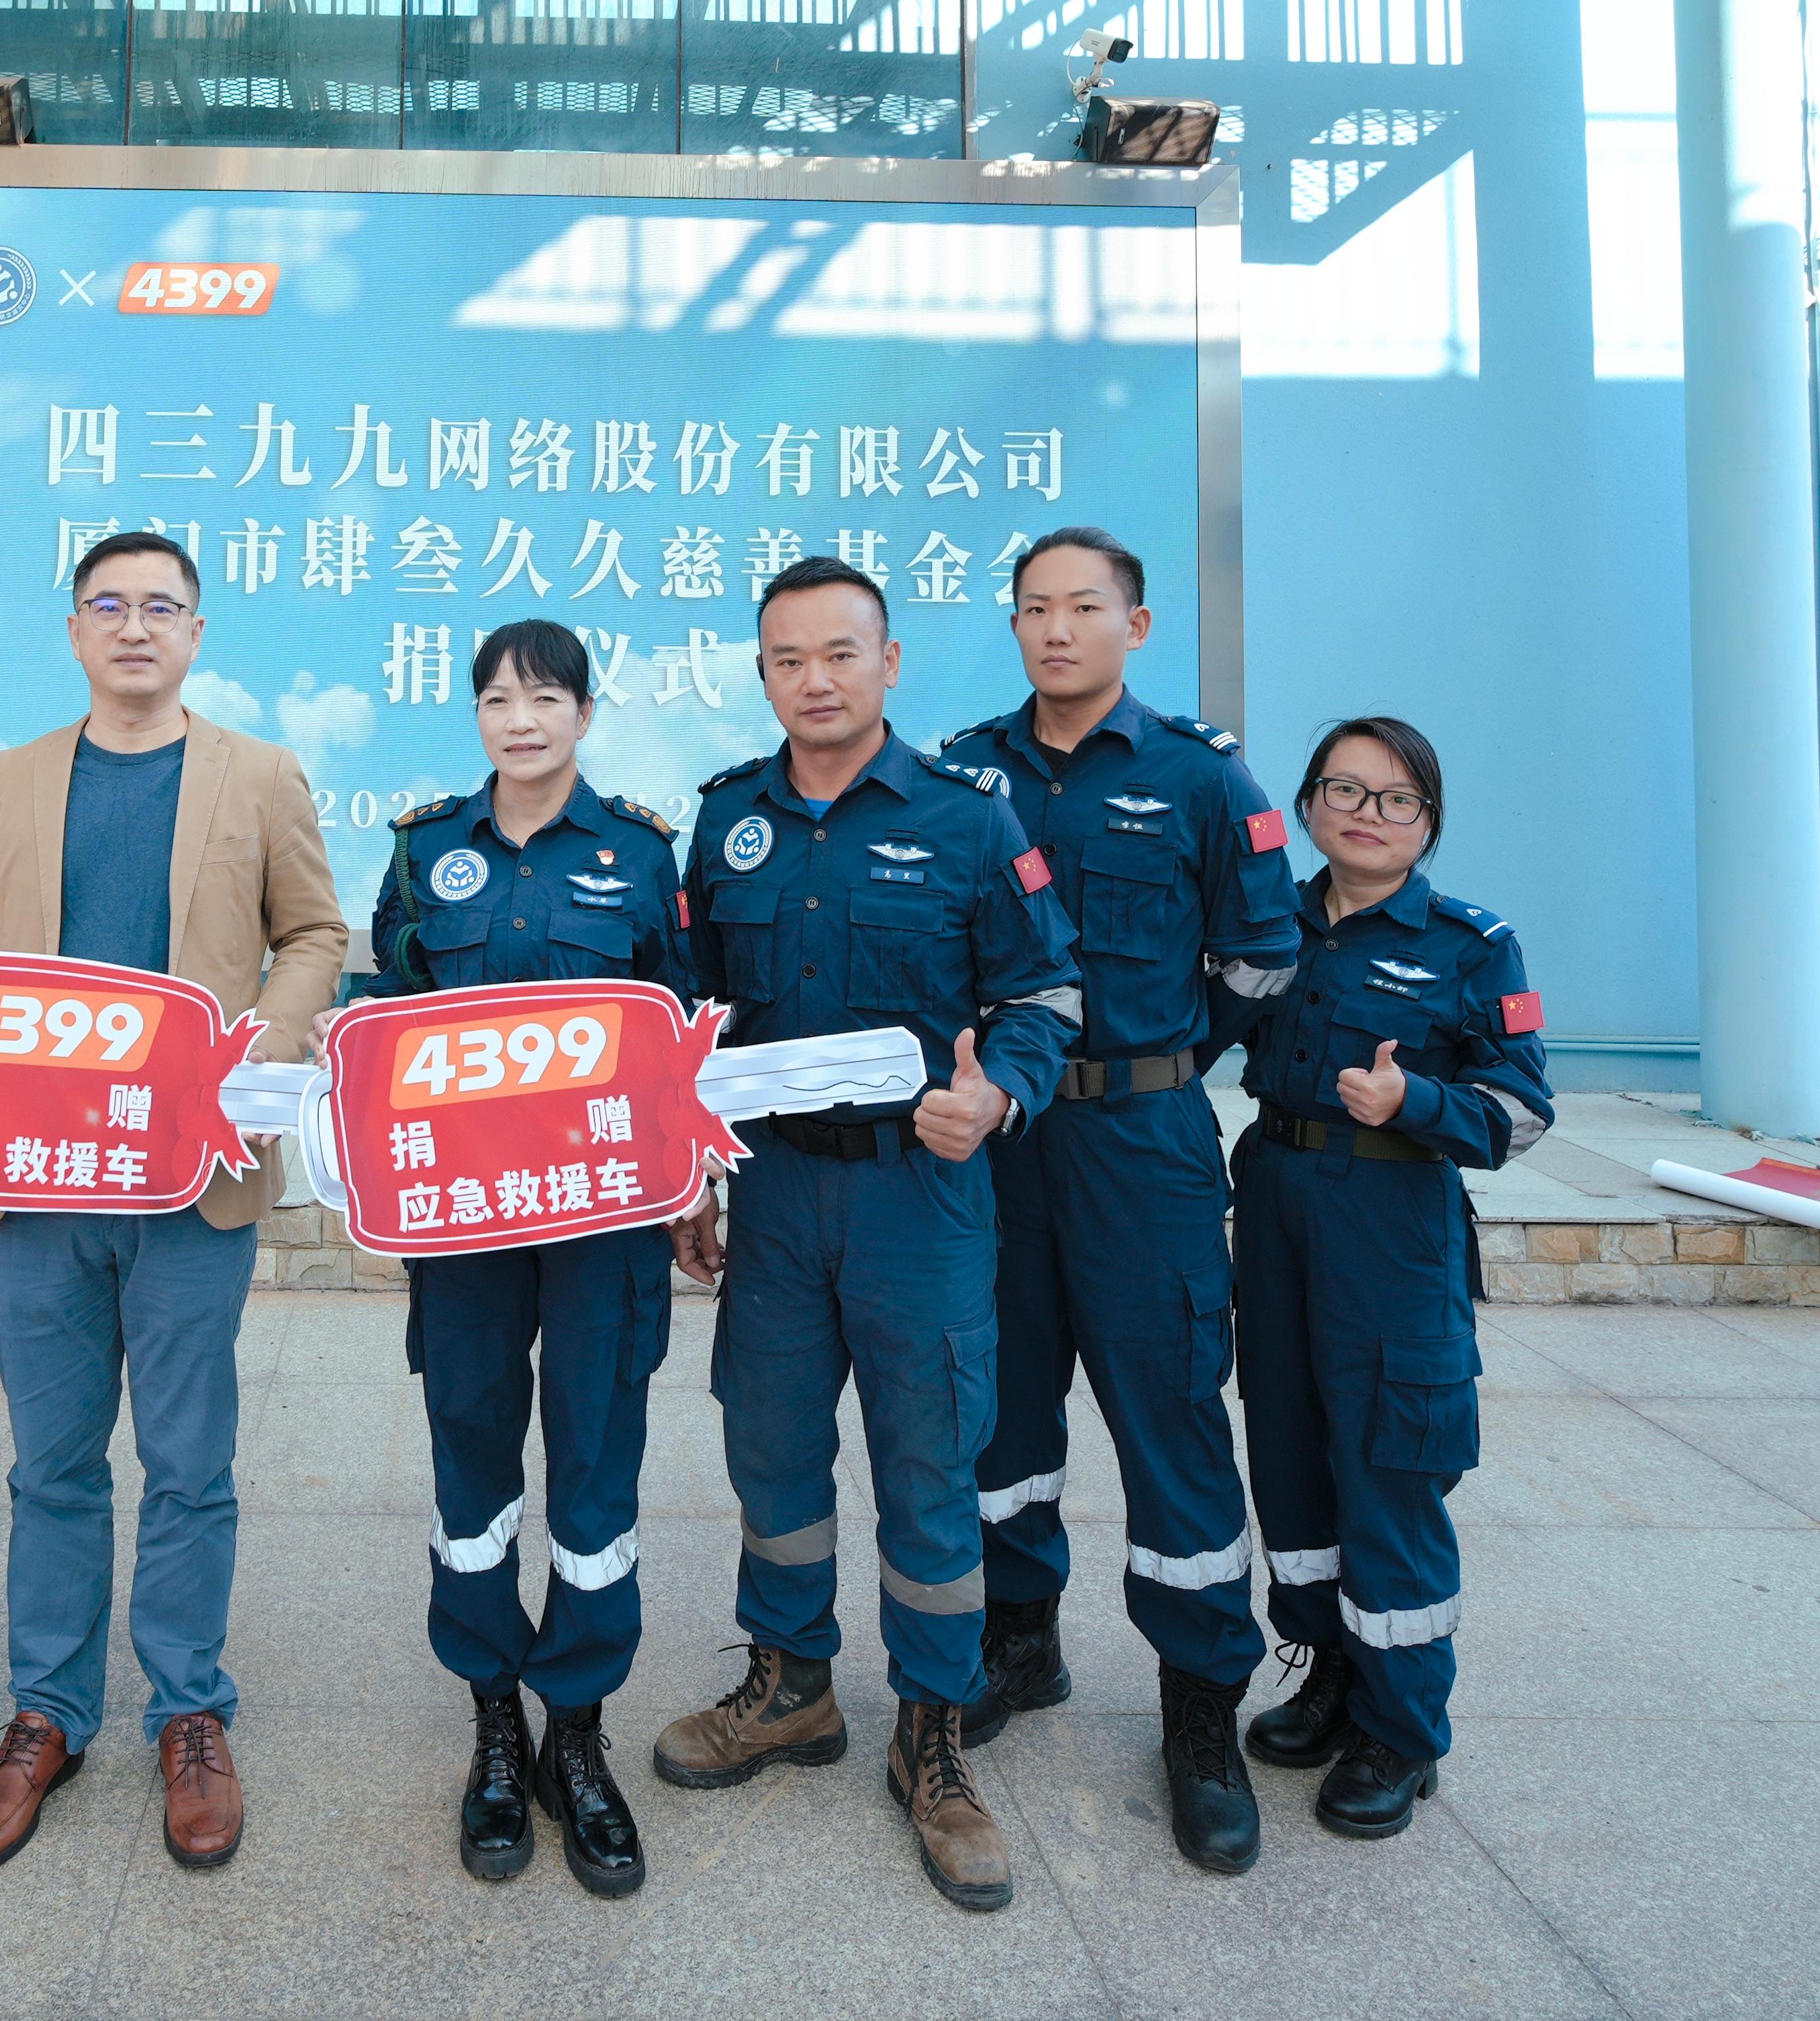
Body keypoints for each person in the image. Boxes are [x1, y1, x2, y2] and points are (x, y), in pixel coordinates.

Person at [650, 556, 1082, 1914]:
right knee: (771, 1444)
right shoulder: (728, 820)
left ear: (890, 663)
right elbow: (688, 1019)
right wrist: (690, 1171)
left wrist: (995, 1096)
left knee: (929, 1465)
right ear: (762, 674)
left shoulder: (967, 817)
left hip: (921, 1196)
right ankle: (790, 1685)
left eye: (841, 653)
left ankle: (933, 1733)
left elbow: (1046, 995)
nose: (816, 680)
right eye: (788, 659)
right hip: (778, 1195)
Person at [0, 530, 348, 1878]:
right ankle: (47, 1714)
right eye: (106, 605)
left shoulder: (259, 774)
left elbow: (315, 935)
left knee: (187, 1464)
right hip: (44, 1185)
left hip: (193, 1186)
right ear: (73, 632)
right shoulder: (12, 779)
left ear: (195, 632)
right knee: (50, 1465)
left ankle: (189, 1712)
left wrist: (257, 1052)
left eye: (159, 607)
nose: (132, 626)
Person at [933, 527, 1298, 1876]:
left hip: (1142, 1142)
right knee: (1000, 1409)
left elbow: (1263, 957)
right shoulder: (963, 773)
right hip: (1002, 1143)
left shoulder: (1200, 776)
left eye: (1084, 607)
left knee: (1171, 1417)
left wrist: (1161, 1058)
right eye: (1035, 607)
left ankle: (1201, 1710)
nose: (1057, 629)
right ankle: (1018, 1642)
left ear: (1134, 627)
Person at [368, 620, 688, 1900]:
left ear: (585, 714)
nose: (521, 719)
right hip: (467, 1226)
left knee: (597, 1462)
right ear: (476, 716)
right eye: (498, 698)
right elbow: (383, 1019)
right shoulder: (422, 851)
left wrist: (693, 1186)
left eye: (546, 697)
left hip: (604, 1221)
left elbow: (683, 1031)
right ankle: (496, 1721)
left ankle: (580, 1731)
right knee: (473, 1454)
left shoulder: (641, 855)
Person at [1225, 715, 1554, 1842]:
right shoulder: (1270, 925)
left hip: (1392, 1222)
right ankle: (1331, 1673)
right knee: (1291, 1453)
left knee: (1388, 1462)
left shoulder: (1473, 946)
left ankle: (1403, 1730)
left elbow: (1521, 1111)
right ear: (1309, 805)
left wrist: (1415, 1102)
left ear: (1428, 821)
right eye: (1345, 790)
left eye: (1396, 798)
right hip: (1277, 1202)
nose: (1368, 815)